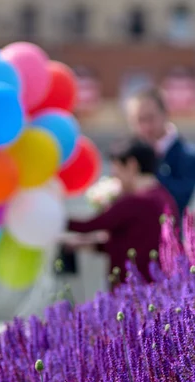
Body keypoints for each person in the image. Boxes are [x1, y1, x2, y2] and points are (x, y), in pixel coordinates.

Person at [67, 138, 179, 284]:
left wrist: (59, 220)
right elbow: (130, 240)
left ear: (132, 165)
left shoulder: (136, 201)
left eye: (117, 167)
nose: (114, 175)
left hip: (133, 290)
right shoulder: (165, 197)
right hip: (160, 285)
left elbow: (89, 225)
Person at [125, 87, 195, 217]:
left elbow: (180, 199)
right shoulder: (128, 151)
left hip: (168, 234)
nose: (146, 127)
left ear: (165, 114)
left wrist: (153, 182)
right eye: (139, 120)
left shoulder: (187, 155)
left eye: (150, 118)